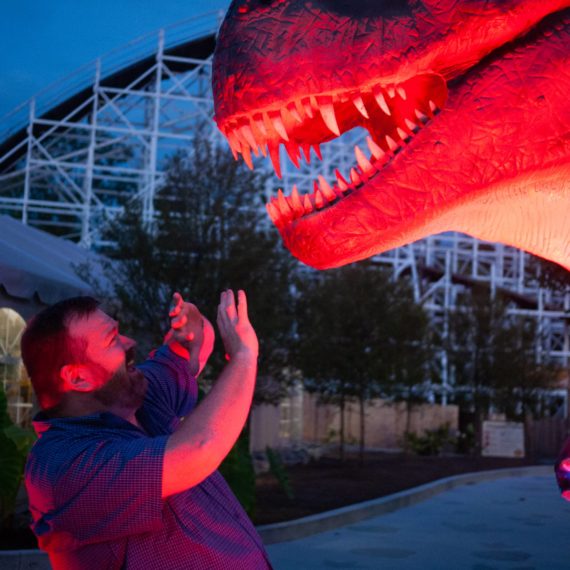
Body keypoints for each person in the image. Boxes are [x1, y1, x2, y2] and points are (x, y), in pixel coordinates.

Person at [21, 290, 273, 569]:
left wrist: (194, 326)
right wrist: (244, 357)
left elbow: (191, 352)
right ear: (78, 378)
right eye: (112, 339)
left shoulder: (133, 398)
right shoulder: (62, 468)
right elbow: (200, 448)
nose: (130, 343)